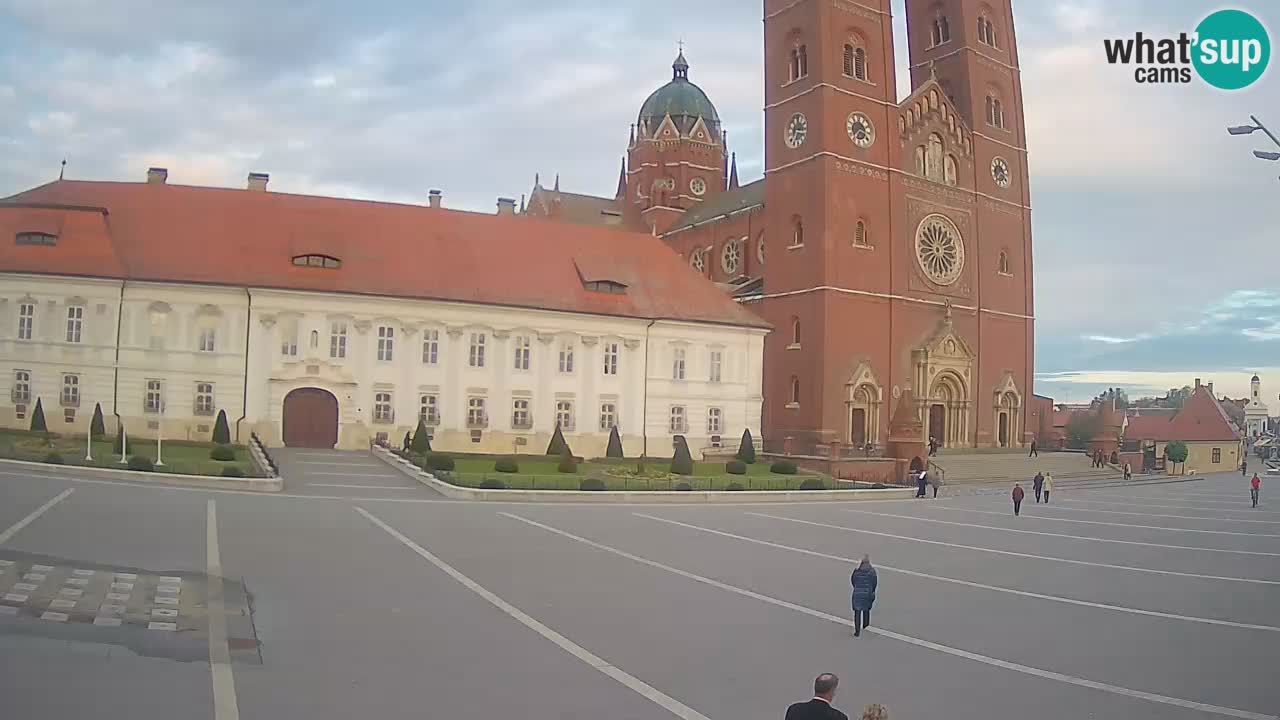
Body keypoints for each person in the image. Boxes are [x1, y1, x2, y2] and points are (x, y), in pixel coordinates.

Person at [850, 556, 877, 637]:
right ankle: (866, 624)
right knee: (866, 609)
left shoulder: (857, 571)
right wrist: (872, 591)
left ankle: (857, 631)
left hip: (857, 593)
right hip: (868, 593)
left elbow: (853, 580)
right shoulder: (872, 571)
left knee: (857, 612)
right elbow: (874, 582)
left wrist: (856, 587)